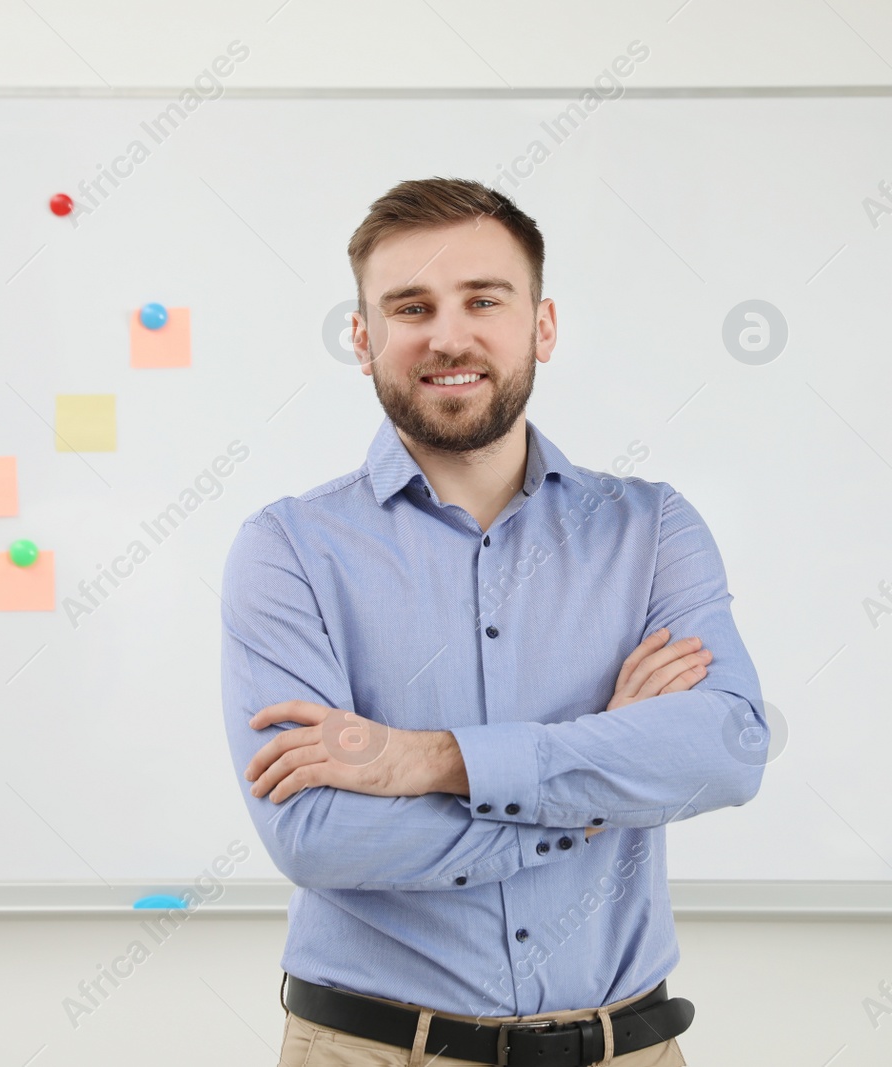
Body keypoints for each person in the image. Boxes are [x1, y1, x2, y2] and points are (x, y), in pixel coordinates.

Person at [219, 176, 768, 1067]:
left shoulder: (653, 529)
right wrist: (601, 787)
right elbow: (317, 835)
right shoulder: (288, 550)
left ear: (540, 326)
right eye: (410, 306)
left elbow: (728, 750)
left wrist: (433, 759)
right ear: (364, 338)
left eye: (484, 299)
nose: (448, 335)